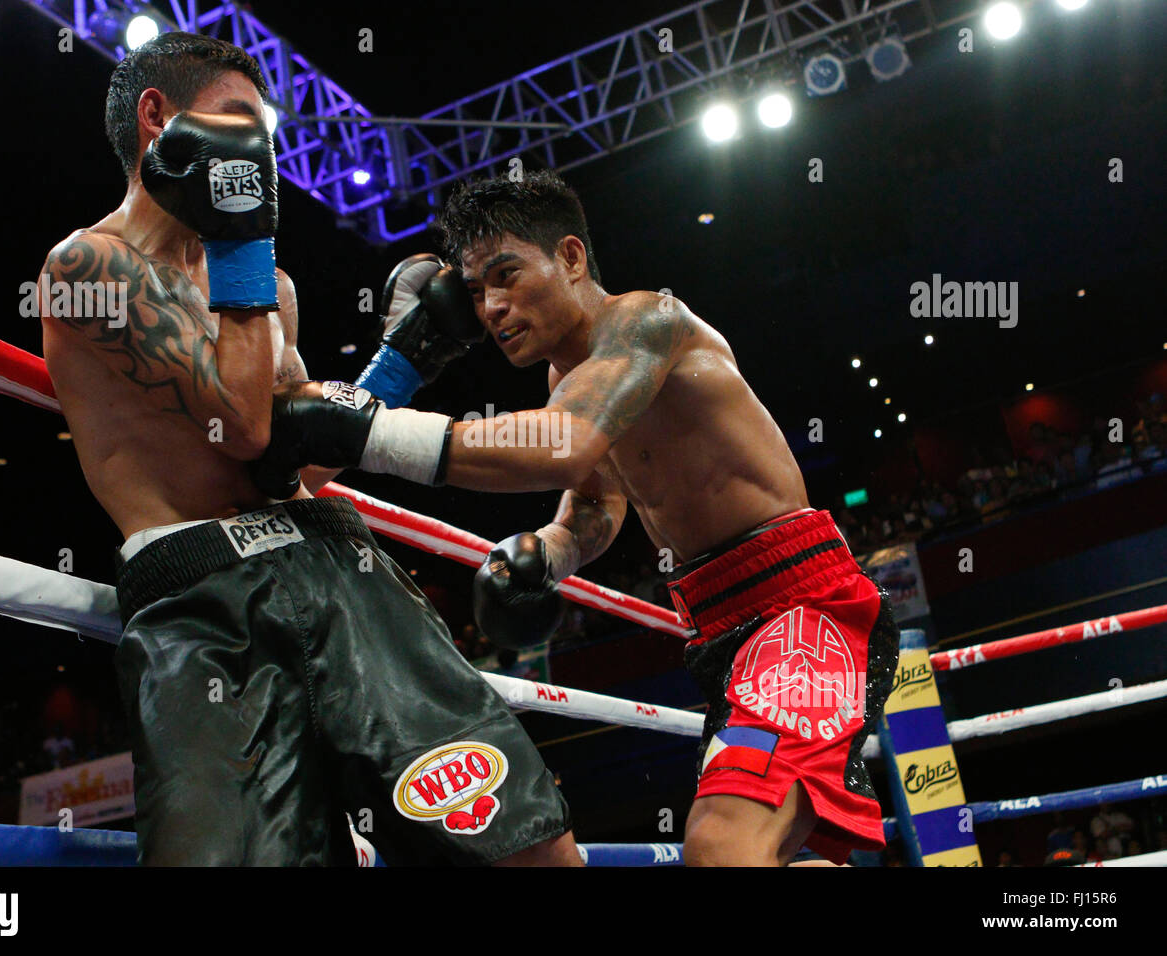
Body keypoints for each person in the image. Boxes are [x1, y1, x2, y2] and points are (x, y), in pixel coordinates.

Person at [251, 170, 900, 866]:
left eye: (507, 275)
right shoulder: (567, 379)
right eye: (475, 294)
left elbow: (567, 445)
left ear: (570, 256)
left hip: (805, 614)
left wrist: (375, 432)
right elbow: (596, 502)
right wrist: (548, 554)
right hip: (724, 633)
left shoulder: (648, 319)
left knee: (722, 845)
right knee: (783, 850)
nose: (493, 308)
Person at [39, 32, 578, 866]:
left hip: (331, 562)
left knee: (523, 846)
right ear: (157, 119)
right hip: (198, 600)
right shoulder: (87, 266)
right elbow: (247, 425)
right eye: (236, 124)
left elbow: (296, 458)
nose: (257, 154)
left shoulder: (270, 289)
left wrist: (405, 360)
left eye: (263, 137)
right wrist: (242, 236)